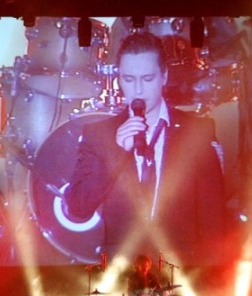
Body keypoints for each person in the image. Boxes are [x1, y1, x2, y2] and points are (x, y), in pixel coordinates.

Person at [63, 31, 227, 266]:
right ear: (119, 79)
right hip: (122, 271)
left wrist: (211, 275)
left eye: (148, 79)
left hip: (183, 268)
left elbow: (214, 217)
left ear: (164, 76)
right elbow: (78, 208)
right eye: (129, 80)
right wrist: (117, 153)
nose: (138, 91)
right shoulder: (98, 134)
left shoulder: (197, 131)